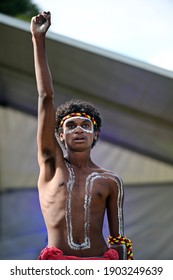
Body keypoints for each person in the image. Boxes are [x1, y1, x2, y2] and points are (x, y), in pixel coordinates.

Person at [30, 11, 133, 260]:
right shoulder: (51, 165)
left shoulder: (111, 181)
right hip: (58, 265)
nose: (78, 129)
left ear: (95, 134)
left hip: (102, 263)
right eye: (71, 125)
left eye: (85, 125)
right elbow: (46, 97)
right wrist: (38, 39)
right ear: (60, 135)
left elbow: (118, 239)